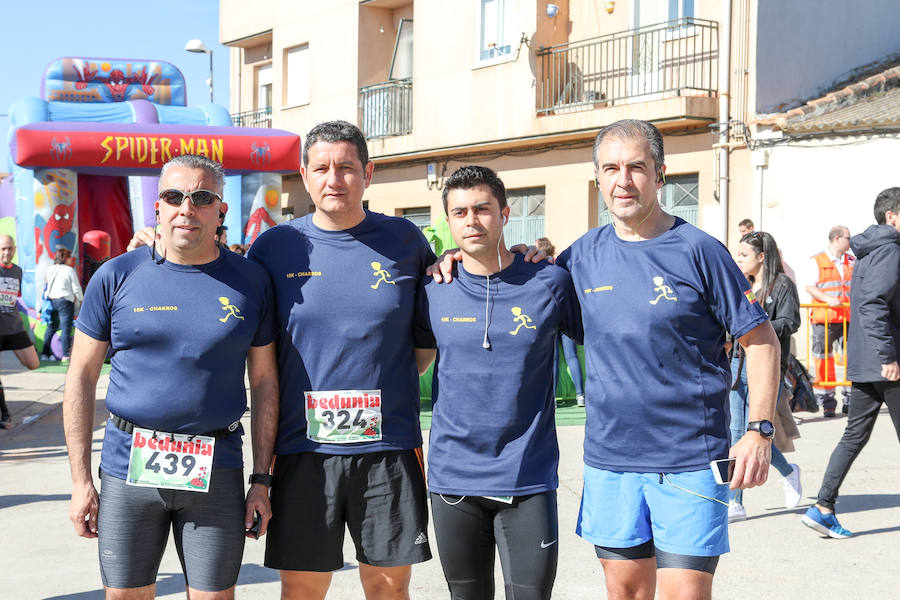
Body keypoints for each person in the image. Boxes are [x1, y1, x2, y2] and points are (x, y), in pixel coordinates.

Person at [434, 120, 781, 599]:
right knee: (625, 594)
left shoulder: (701, 251)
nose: (624, 180)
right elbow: (516, 285)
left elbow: (762, 342)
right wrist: (463, 254)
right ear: (599, 179)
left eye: (637, 167)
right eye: (612, 168)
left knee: (687, 594)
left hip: (690, 459)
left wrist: (759, 430)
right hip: (610, 462)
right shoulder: (579, 259)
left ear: (660, 174)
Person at [63, 154, 280, 598]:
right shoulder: (116, 275)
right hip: (127, 469)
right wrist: (81, 481)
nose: (187, 207)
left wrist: (261, 479)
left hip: (215, 469)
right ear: (157, 207)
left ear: (221, 209)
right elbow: (81, 378)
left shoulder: (251, 281)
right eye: (174, 196)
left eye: (202, 197)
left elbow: (264, 384)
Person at [247, 121, 436, 600]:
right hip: (303, 451)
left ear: (368, 173)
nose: (335, 179)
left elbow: (424, 345)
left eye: (347, 168)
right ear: (305, 175)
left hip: (389, 448)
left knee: (389, 587)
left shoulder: (406, 241)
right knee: (303, 590)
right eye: (323, 168)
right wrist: (155, 251)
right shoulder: (273, 248)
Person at [416, 167, 581, 599]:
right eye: (460, 212)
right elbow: (404, 363)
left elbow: (610, 340)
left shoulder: (550, 283)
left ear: (505, 214)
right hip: (454, 480)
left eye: (483, 209)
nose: (472, 220)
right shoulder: (434, 288)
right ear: (448, 223)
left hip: (527, 478)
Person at [802, 188, 900, 539]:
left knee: (853, 436)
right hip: (888, 364)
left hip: (865, 361)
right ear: (891, 216)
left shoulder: (867, 252)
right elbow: (873, 305)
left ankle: (823, 507)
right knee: (853, 436)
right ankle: (823, 506)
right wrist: (888, 356)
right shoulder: (889, 250)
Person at [729, 231, 803, 521]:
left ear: (761, 257)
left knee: (757, 433)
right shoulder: (741, 284)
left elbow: (790, 321)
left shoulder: (782, 284)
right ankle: (735, 502)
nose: (739, 259)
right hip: (736, 365)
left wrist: (756, 324)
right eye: (738, 254)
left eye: (744, 255)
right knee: (736, 434)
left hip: (765, 368)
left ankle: (787, 471)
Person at [805, 225, 854, 417]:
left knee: (852, 359)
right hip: (824, 318)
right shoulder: (817, 260)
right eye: (848, 238)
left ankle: (850, 399)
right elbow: (810, 286)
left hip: (848, 318)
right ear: (837, 239)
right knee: (823, 358)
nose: (851, 241)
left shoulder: (852, 261)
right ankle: (827, 401)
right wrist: (827, 299)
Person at [536, 236, 586, 407]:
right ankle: (580, 395)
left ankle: (554, 398)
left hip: (550, 315)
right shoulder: (562, 264)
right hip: (566, 312)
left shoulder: (538, 266)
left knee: (554, 358)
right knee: (572, 357)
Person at [0, 234, 40, 429]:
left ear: (14, 249)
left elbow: (16, 298)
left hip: (14, 326)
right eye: (2, 249)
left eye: (9, 248)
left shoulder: (17, 271)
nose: (6, 252)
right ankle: (4, 414)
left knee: (33, 363)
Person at [41, 246, 83, 361]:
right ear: (66, 258)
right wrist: (81, 300)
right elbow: (76, 288)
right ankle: (65, 355)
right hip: (65, 302)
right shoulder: (69, 270)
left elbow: (46, 283)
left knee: (51, 327)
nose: (71, 259)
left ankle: (45, 354)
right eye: (70, 257)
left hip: (52, 301)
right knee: (66, 328)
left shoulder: (50, 269)